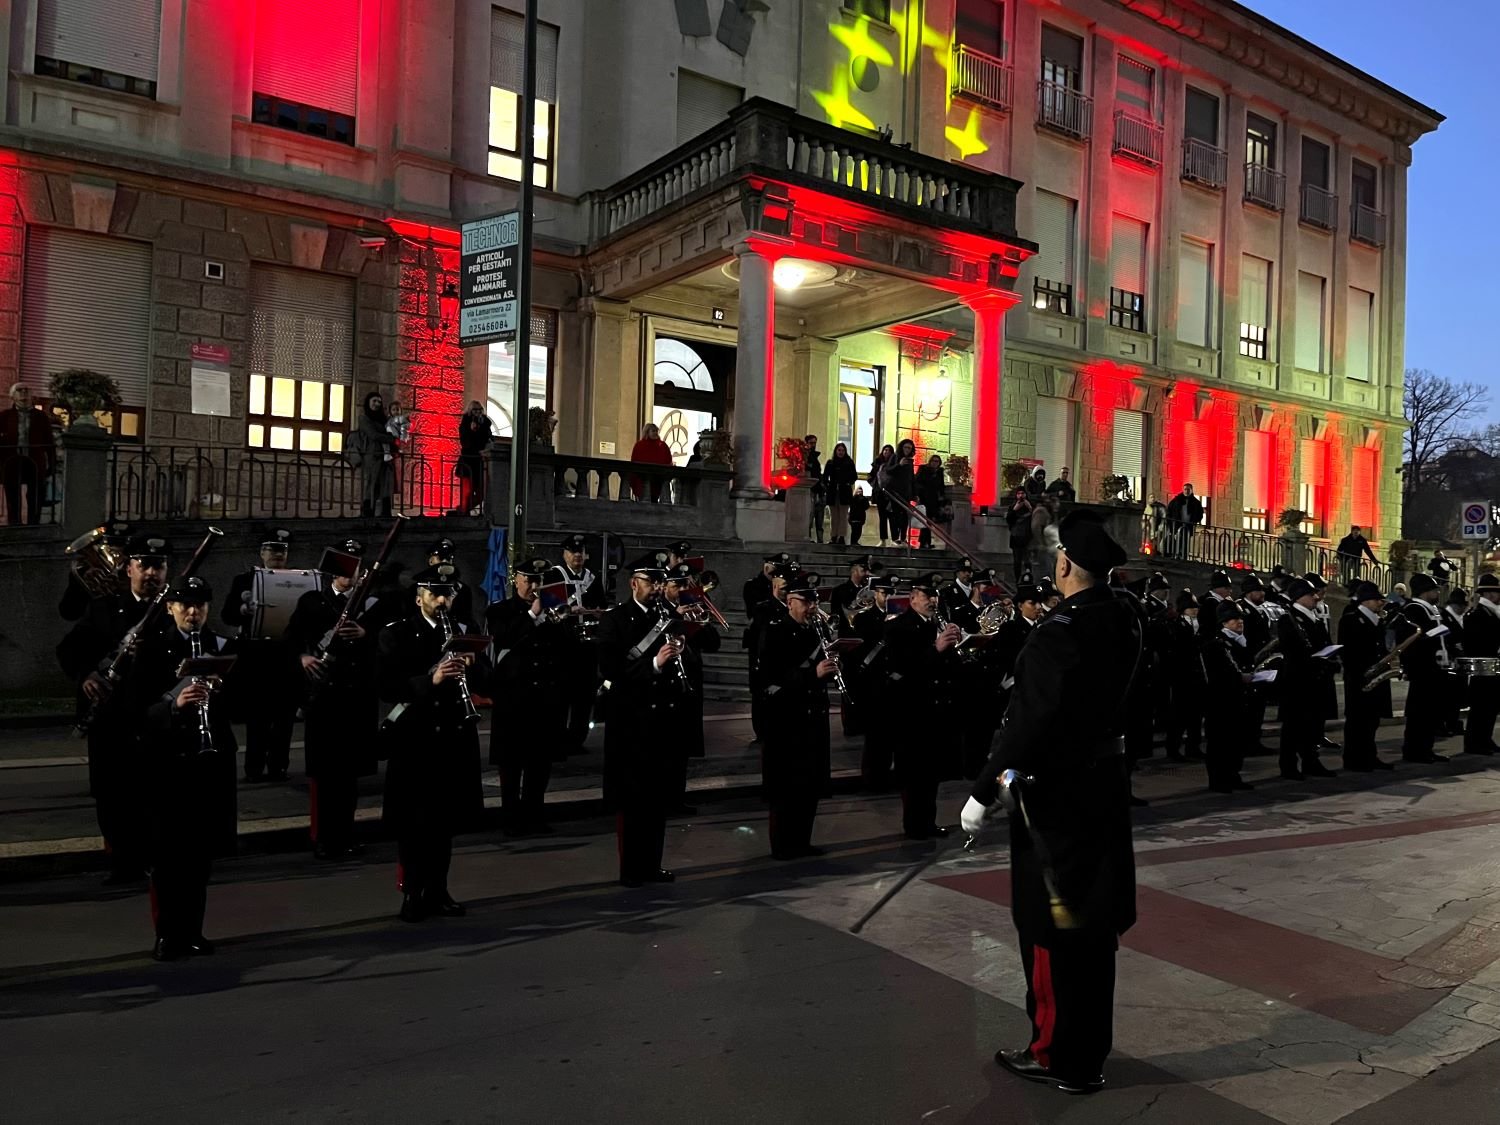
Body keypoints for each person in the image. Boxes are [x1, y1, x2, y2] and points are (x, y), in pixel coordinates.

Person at [960, 509, 1142, 1096]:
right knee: (1092, 929)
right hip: (1104, 787)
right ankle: (1088, 1052)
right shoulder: (1126, 617)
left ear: (1064, 564)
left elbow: (1028, 724)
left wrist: (984, 787)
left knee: (1052, 928)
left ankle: (1057, 1053)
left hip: (1054, 802)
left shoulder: (1060, 631)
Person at [130, 575, 240, 961]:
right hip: (167, 767)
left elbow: (245, 704)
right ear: (171, 608)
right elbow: (134, 712)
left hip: (206, 764)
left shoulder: (222, 646)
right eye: (186, 605)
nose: (194, 612)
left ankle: (193, 931)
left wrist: (224, 690)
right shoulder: (151, 650)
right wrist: (173, 708)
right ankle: (166, 934)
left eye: (201, 606)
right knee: (166, 858)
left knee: (198, 857)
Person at [55, 532, 171, 885]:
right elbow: (70, 649)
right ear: (129, 568)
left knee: (152, 792)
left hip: (153, 715)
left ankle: (152, 859)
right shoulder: (104, 607)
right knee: (110, 794)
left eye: (159, 566)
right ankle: (122, 863)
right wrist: (87, 675)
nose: (151, 573)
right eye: (144, 565)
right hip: (110, 715)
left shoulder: (175, 608)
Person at [379, 565, 487, 922]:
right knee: (414, 824)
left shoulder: (464, 631)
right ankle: (411, 893)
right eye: (434, 593)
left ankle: (438, 889)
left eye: (448, 594)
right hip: (417, 740)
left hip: (453, 738)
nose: (442, 601)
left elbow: (488, 678)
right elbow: (389, 683)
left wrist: (474, 666)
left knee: (444, 824)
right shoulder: (398, 632)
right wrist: (432, 677)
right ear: (419, 596)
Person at [287, 539, 380, 859]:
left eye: (355, 566)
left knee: (349, 777)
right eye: (344, 565)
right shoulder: (313, 601)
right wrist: (302, 657)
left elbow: (387, 645)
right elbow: (292, 638)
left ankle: (345, 835)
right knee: (326, 776)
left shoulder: (372, 604)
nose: (349, 573)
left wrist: (366, 636)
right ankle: (325, 839)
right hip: (325, 697)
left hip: (356, 699)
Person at [595, 562, 687, 886]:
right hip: (630, 723)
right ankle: (631, 869)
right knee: (632, 800)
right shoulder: (615, 619)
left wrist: (677, 655)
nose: (658, 588)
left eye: (662, 582)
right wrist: (654, 664)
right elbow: (610, 669)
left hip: (659, 720)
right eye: (652, 582)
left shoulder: (663, 618)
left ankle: (652, 863)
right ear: (634, 583)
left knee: (656, 800)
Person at [487, 557, 573, 835]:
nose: (535, 586)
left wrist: (561, 620)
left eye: (539, 581)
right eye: (530, 580)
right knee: (511, 764)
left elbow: (562, 650)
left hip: (544, 698)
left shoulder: (552, 611)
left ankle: (535, 814)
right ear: (517, 580)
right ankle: (511, 818)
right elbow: (504, 639)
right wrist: (533, 615)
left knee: (540, 762)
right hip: (514, 697)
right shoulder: (500, 610)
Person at [757, 572, 837, 859]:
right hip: (786, 720)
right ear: (791, 601)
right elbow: (770, 676)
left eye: (814, 602)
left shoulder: (815, 630)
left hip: (813, 715)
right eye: (806, 602)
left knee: (809, 784)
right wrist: (811, 674)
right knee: (786, 787)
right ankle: (782, 844)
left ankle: (802, 840)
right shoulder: (776, 629)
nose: (812, 607)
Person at [883, 572, 962, 839]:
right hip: (912, 711)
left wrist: (955, 645)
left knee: (931, 773)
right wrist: (936, 649)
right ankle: (914, 825)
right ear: (913, 598)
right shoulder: (899, 627)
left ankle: (928, 822)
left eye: (935, 595)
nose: (933, 600)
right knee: (914, 773)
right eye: (927, 595)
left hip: (935, 711)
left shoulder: (933, 625)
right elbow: (903, 669)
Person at [219, 528, 298, 783]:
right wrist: (244, 608)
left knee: (284, 715)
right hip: (255, 654)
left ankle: (278, 766)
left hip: (284, 653)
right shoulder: (245, 580)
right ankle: (254, 767)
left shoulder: (297, 579)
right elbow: (227, 614)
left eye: (282, 550)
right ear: (262, 552)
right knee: (257, 716)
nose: (277, 555)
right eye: (272, 549)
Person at [663, 561, 719, 815]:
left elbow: (713, 643)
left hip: (690, 685)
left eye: (686, 584)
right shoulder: (660, 609)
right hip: (666, 687)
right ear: (665, 587)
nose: (684, 589)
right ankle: (664, 799)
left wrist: (700, 621)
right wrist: (676, 616)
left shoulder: (693, 608)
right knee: (666, 749)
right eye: (678, 585)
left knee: (682, 748)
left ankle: (676, 797)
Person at [1276, 578, 1339, 781]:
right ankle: (1288, 765)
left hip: (1316, 680)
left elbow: (1325, 643)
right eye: (1310, 594)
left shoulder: (1315, 618)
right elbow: (1290, 650)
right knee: (1293, 726)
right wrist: (1312, 661)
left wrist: (1331, 659)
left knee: (1313, 725)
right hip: (1297, 681)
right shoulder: (1289, 618)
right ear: (1299, 597)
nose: (1315, 597)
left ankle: (1311, 761)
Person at [551, 533, 608, 751]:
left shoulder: (592, 579)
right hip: (563, 643)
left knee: (584, 694)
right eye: (573, 551)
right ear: (564, 553)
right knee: (562, 693)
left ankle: (577, 738)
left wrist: (598, 613)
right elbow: (550, 607)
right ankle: (557, 738)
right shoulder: (554, 576)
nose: (577, 555)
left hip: (587, 644)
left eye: (581, 552)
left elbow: (601, 604)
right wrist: (567, 608)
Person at [1396, 573, 1453, 765]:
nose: (1437, 593)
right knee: (1419, 712)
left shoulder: (1434, 609)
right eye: (1434, 590)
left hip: (1437, 667)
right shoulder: (1414, 609)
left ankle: (1426, 748)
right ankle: (1414, 750)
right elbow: (1409, 639)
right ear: (1424, 592)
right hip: (1423, 669)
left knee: (1431, 712)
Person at [1338, 581, 1395, 772]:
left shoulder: (1378, 620)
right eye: (1377, 600)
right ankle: (1354, 759)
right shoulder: (1351, 619)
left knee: (1372, 719)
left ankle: (1370, 755)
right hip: (1359, 677)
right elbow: (1349, 651)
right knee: (1357, 720)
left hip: (1376, 676)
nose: (1380, 603)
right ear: (1366, 601)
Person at [850, 574, 898, 789]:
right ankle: (872, 779)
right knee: (875, 737)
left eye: (892, 592)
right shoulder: (864, 618)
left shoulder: (902, 617)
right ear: (876, 593)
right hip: (873, 683)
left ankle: (888, 775)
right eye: (884, 592)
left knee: (892, 734)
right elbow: (863, 650)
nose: (888, 596)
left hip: (894, 683)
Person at [1201, 601, 1255, 793]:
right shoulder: (1217, 643)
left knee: (1236, 741)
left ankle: (1233, 775)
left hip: (1238, 698)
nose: (1239, 622)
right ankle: (1218, 779)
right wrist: (1240, 677)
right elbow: (1220, 673)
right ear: (1223, 622)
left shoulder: (1241, 641)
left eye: (1240, 618)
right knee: (1220, 742)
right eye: (1233, 619)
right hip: (1221, 701)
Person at [0, 382, 56, 525]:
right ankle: (14, 524)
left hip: (35, 460)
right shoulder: (5, 416)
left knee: (35, 494)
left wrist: (52, 463)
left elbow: (49, 441)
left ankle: (33, 523)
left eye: (27, 390)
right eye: (19, 390)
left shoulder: (41, 416)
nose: (24, 393)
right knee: (12, 492)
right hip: (11, 460)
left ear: (32, 396)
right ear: (12, 396)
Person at [1164, 590, 1206, 762]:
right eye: (1190, 608)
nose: (1194, 610)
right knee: (1179, 716)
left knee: (1195, 716)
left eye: (1195, 607)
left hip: (1196, 676)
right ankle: (1173, 749)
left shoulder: (1198, 625)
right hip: (1182, 677)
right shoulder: (1176, 625)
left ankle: (1193, 747)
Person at [1462, 574, 1500, 756]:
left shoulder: (1492, 612)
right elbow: (1475, 642)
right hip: (1482, 667)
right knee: (1480, 707)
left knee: (1490, 707)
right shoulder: (1478, 614)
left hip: (1492, 667)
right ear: (1490, 594)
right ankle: (1475, 743)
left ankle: (1485, 739)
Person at [350, 391, 395, 518]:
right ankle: (367, 511)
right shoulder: (364, 418)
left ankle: (384, 511)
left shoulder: (383, 419)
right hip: (372, 456)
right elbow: (373, 434)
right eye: (374, 401)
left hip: (384, 457)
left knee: (384, 485)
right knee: (371, 483)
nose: (376, 404)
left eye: (379, 402)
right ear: (368, 402)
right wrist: (391, 439)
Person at [455, 400, 494, 516]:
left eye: (479, 410)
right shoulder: (466, 423)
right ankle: (464, 510)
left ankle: (470, 509)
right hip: (468, 460)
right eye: (475, 410)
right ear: (470, 411)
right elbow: (465, 443)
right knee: (467, 490)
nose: (477, 412)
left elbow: (488, 438)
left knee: (481, 491)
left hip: (480, 461)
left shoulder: (486, 423)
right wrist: (471, 431)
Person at [882, 440, 917, 548]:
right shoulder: (895, 457)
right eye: (905, 447)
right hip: (895, 492)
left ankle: (903, 538)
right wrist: (899, 465)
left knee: (905, 516)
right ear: (901, 447)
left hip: (906, 493)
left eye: (909, 448)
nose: (907, 450)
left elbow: (911, 478)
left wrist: (914, 493)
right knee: (895, 515)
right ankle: (895, 538)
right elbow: (888, 470)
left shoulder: (910, 461)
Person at [823, 442, 858, 547]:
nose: (840, 452)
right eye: (839, 450)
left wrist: (847, 483)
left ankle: (841, 536)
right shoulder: (830, 463)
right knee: (834, 516)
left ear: (845, 451)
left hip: (844, 492)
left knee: (843, 516)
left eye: (842, 450)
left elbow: (854, 476)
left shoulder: (849, 462)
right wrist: (828, 486)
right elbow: (825, 477)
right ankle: (833, 536)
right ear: (835, 451)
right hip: (833, 492)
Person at [628, 422, 673, 502]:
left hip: (658, 480)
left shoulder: (662, 446)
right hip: (642, 480)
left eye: (656, 431)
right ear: (647, 432)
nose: (655, 433)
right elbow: (635, 461)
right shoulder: (639, 445)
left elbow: (668, 461)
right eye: (653, 431)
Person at [829, 554, 873, 633]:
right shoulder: (840, 590)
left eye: (868, 571)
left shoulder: (869, 590)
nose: (867, 574)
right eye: (863, 571)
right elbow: (836, 615)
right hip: (847, 632)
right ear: (853, 571)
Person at [915, 454, 948, 549]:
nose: (935, 463)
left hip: (934, 500)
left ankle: (925, 542)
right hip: (924, 498)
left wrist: (941, 496)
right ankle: (924, 543)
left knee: (929, 522)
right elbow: (917, 481)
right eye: (933, 461)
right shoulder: (923, 469)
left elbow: (941, 485)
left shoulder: (939, 472)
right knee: (925, 520)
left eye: (937, 461)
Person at [1165, 483, 1203, 559]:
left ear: (1191, 490)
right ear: (1183, 490)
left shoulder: (1196, 503)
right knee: (1177, 541)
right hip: (1177, 525)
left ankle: (1183, 556)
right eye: (1185, 489)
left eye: (1188, 489)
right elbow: (1169, 511)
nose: (1186, 491)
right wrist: (1170, 522)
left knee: (1185, 542)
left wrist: (1194, 521)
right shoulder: (1176, 500)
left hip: (1188, 526)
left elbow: (1199, 514)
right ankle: (1176, 555)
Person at [870, 444, 895, 546]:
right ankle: (883, 539)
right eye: (885, 450)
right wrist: (875, 486)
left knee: (892, 517)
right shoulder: (877, 463)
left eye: (889, 450)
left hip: (891, 494)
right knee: (882, 517)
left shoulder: (894, 464)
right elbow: (871, 476)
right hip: (880, 493)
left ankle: (895, 539)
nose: (886, 452)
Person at [1006, 488, 1034, 582]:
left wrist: (1030, 508)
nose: (1021, 495)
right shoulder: (1012, 506)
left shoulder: (1030, 506)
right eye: (1019, 493)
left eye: (1023, 493)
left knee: (1027, 561)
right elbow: (1009, 520)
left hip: (1027, 538)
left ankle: (1029, 578)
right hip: (1016, 538)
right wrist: (1014, 510)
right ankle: (1017, 580)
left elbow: (1035, 518)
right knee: (1017, 561)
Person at [804, 435, 825, 543]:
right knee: (810, 515)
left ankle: (820, 539)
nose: (813, 445)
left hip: (818, 490)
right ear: (806, 443)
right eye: (811, 443)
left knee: (819, 518)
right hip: (810, 490)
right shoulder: (805, 457)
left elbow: (817, 474)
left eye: (815, 443)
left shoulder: (814, 458)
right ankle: (808, 537)